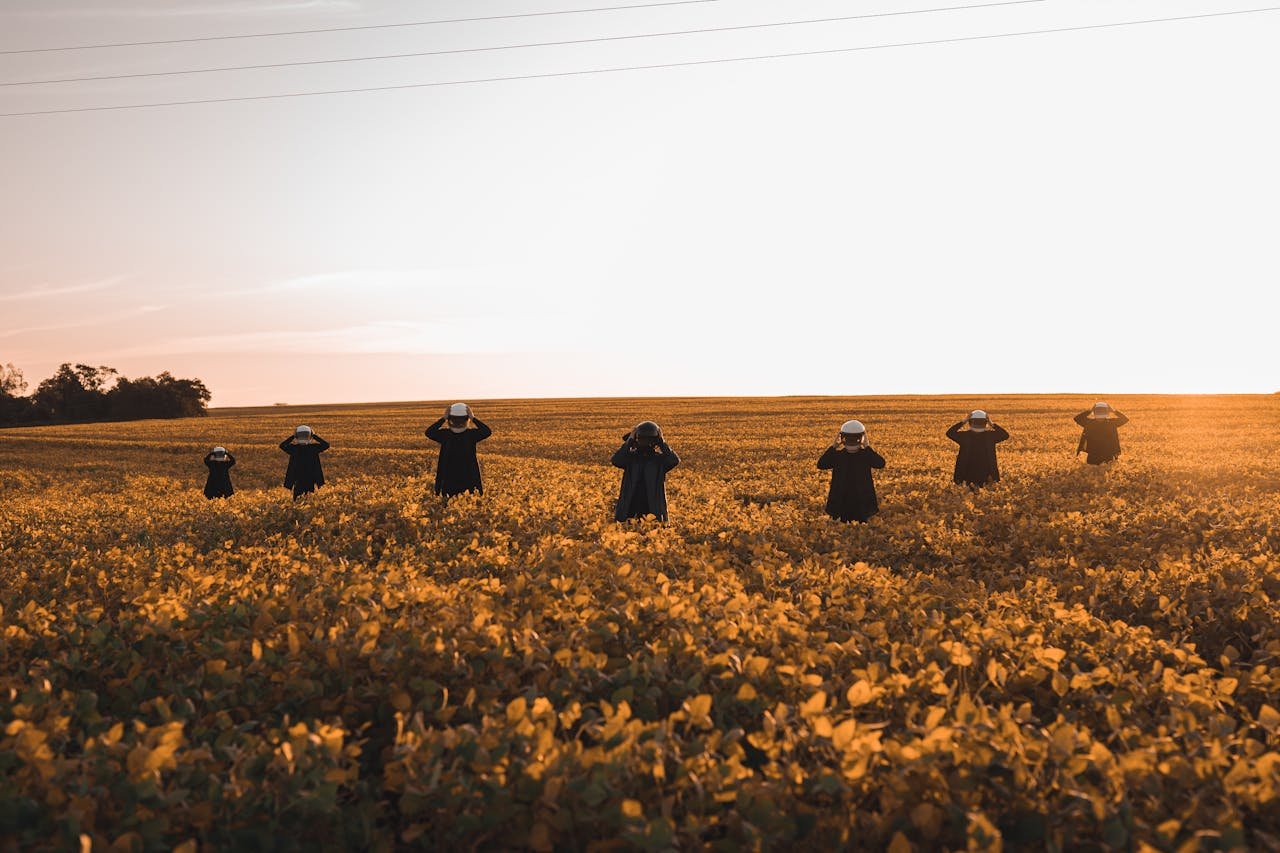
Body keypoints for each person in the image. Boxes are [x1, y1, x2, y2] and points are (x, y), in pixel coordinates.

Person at [817, 420, 886, 523]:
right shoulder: (866, 456)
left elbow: (821, 464)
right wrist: (867, 446)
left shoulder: (837, 456)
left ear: (842, 438)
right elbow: (880, 463)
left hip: (840, 506)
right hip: (862, 506)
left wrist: (834, 446)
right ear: (862, 438)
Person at [612, 421, 679, 522]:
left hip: (652, 511)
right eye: (642, 439)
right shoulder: (631, 459)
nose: (645, 442)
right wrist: (629, 441)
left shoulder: (658, 461)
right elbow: (616, 460)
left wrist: (662, 443)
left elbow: (674, 460)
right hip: (631, 510)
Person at [425, 403, 493, 498]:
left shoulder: (445, 435)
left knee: (447, 505)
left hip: (448, 478)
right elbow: (487, 431)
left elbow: (429, 432)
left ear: (449, 419)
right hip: (469, 478)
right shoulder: (471, 435)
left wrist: (443, 418)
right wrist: (473, 418)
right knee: (469, 503)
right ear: (467, 419)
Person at [945, 409, 1010, 488]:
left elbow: (950, 433)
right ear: (985, 423)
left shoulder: (964, 436)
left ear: (970, 422)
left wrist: (963, 421)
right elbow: (1005, 435)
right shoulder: (990, 436)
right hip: (987, 476)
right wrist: (992, 423)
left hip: (966, 475)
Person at [280, 424, 330, 500]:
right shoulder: (313, 448)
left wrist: (293, 436)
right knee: (309, 499)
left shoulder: (294, 449)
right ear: (310, 436)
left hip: (297, 478)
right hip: (310, 477)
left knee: (297, 500)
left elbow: (282, 445)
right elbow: (326, 445)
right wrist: (314, 436)